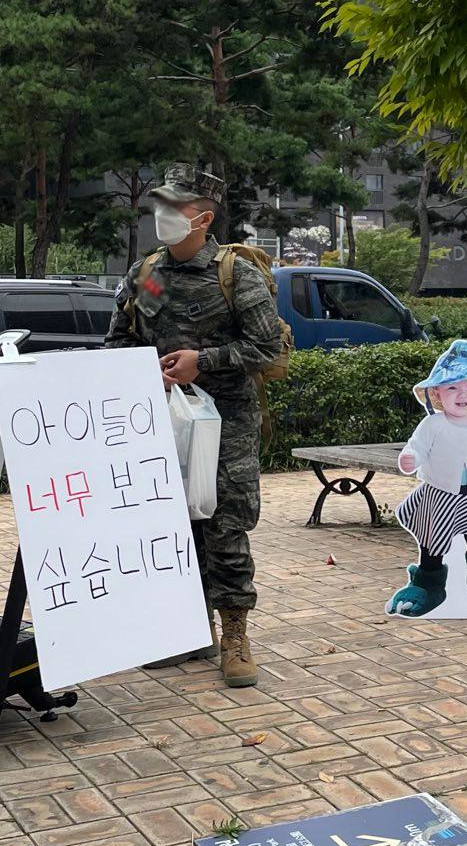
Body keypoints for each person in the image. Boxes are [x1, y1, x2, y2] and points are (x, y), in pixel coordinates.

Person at [105, 163, 281, 688]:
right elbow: (120, 339)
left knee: (225, 525)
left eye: (173, 208)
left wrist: (203, 361)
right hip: (164, 420)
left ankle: (235, 634)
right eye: (158, 205)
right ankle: (189, 629)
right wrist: (146, 371)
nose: (161, 216)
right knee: (174, 526)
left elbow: (267, 348)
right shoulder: (151, 274)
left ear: (202, 218)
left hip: (226, 424)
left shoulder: (234, 273)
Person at [387, 340, 467, 619]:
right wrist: (409, 459)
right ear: (437, 394)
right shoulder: (433, 424)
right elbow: (417, 447)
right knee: (432, 542)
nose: (463, 394)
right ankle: (428, 583)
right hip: (440, 495)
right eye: (452, 388)